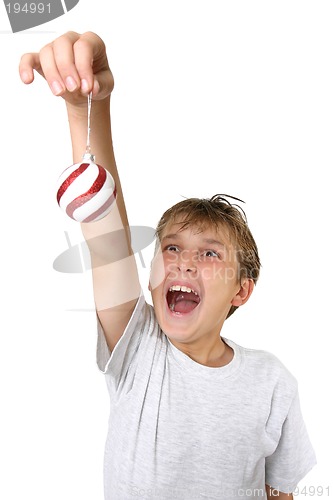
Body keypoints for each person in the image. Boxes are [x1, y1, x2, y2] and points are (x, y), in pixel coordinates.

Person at [19, 31, 316, 500]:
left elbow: (278, 493)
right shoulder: (138, 349)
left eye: (210, 253)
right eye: (171, 248)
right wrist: (84, 109)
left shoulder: (271, 381)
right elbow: (108, 241)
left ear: (241, 291)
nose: (182, 262)